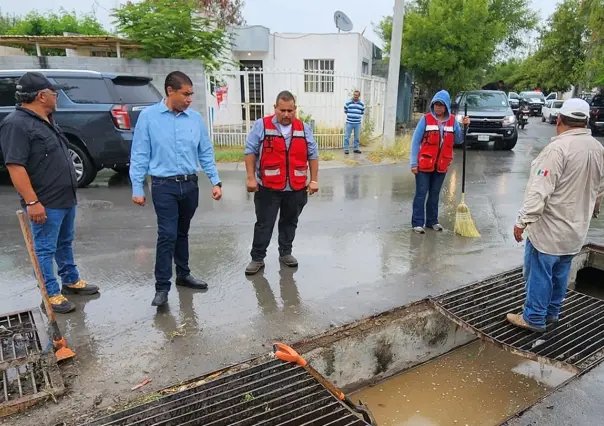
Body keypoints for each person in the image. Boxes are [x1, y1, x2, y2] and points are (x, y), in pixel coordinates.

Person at [0, 72, 99, 314]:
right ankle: (51, 293)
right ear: (41, 96)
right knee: (44, 248)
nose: (56, 97)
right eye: (53, 93)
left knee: (64, 242)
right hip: (45, 201)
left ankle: (70, 280)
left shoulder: (46, 118)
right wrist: (32, 201)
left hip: (65, 197)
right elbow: (15, 165)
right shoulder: (16, 124)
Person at [508, 98, 604, 333]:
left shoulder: (558, 149)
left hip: (550, 230)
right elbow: (599, 186)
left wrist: (522, 221)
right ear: (586, 121)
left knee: (540, 272)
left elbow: (539, 190)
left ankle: (533, 318)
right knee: (561, 273)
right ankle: (552, 313)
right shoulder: (597, 148)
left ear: (559, 119)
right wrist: (594, 207)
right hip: (575, 230)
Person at [129, 71, 223, 307]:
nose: (190, 99)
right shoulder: (149, 117)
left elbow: (205, 151)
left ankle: (183, 274)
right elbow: (140, 153)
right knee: (167, 234)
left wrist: (215, 181)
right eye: (186, 94)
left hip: (190, 184)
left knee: (182, 232)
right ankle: (162, 287)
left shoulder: (194, 119)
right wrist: (137, 187)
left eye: (191, 94)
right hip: (164, 185)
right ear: (170, 91)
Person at [243, 90, 319, 275]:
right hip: (268, 186)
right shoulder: (262, 125)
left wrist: (314, 180)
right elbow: (250, 151)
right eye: (282, 110)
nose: (286, 114)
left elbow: (313, 154)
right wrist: (251, 177)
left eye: (290, 110)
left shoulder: (303, 128)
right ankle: (257, 258)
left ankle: (286, 253)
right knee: (264, 223)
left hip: (296, 186)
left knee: (289, 221)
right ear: (275, 108)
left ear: (295, 109)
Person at [409, 90, 470, 234]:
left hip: (441, 165)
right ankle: (418, 223)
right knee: (421, 193)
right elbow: (415, 142)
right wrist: (413, 163)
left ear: (446, 106)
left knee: (435, 194)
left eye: (441, 105)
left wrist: (465, 126)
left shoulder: (452, 121)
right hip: (424, 164)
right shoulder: (426, 119)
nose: (438, 108)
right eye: (436, 105)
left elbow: (459, 140)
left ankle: (432, 221)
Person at [343, 90, 365, 154]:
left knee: (357, 137)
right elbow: (345, 110)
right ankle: (346, 149)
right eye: (354, 95)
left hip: (357, 123)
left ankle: (356, 149)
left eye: (357, 95)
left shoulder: (362, 104)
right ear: (353, 95)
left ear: (359, 96)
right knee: (347, 136)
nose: (355, 96)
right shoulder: (348, 102)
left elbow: (362, 112)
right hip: (349, 122)